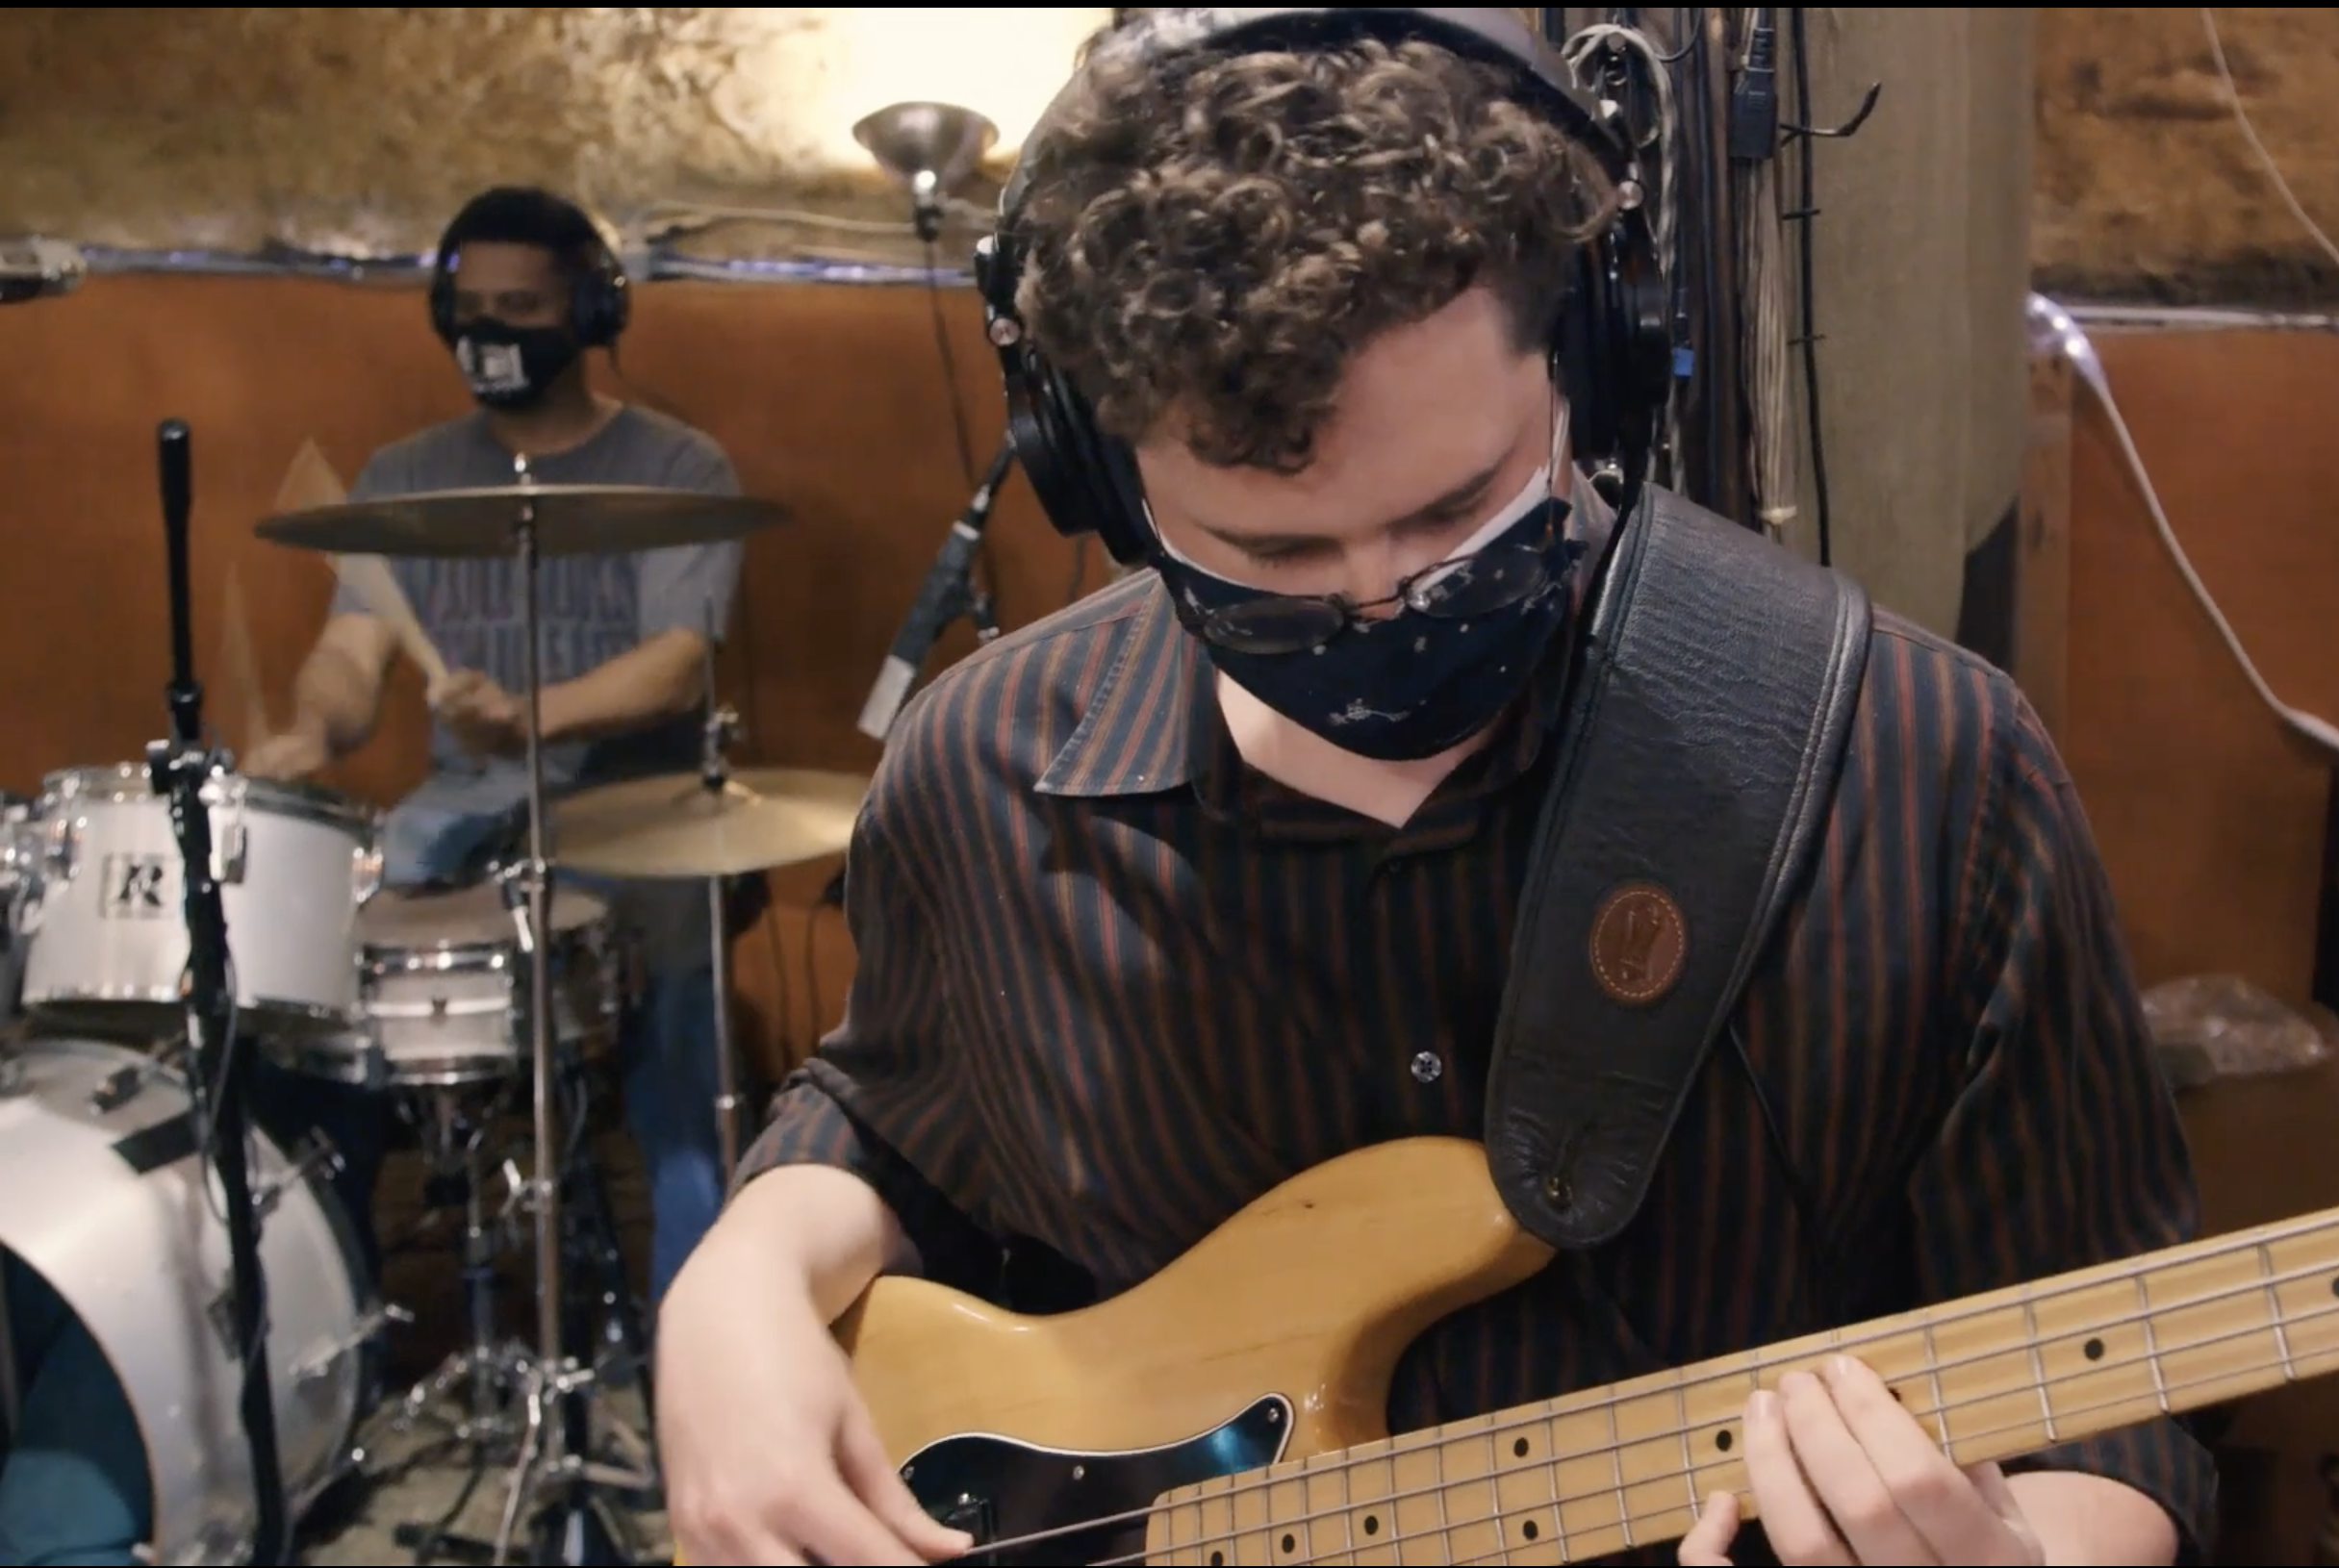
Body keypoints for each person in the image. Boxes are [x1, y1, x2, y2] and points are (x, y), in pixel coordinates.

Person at [653, 12, 2215, 1568]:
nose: (1384, 605)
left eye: (1456, 514)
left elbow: (2121, 1399)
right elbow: (889, 1121)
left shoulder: (1929, 766)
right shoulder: (983, 773)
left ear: (1591, 366)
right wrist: (737, 1278)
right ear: (1100, 476)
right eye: (1274, 559)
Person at [0, 185, 743, 1566]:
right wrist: (312, 725)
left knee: (683, 1034)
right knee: (302, 1004)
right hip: (454, 821)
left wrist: (537, 712)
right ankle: (315, 1359)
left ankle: (702, 1378)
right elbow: (353, 654)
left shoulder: (676, 464)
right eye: (470, 312)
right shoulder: (404, 475)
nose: (492, 335)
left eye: (524, 310)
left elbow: (680, 658)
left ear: (592, 311)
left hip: (639, 816)